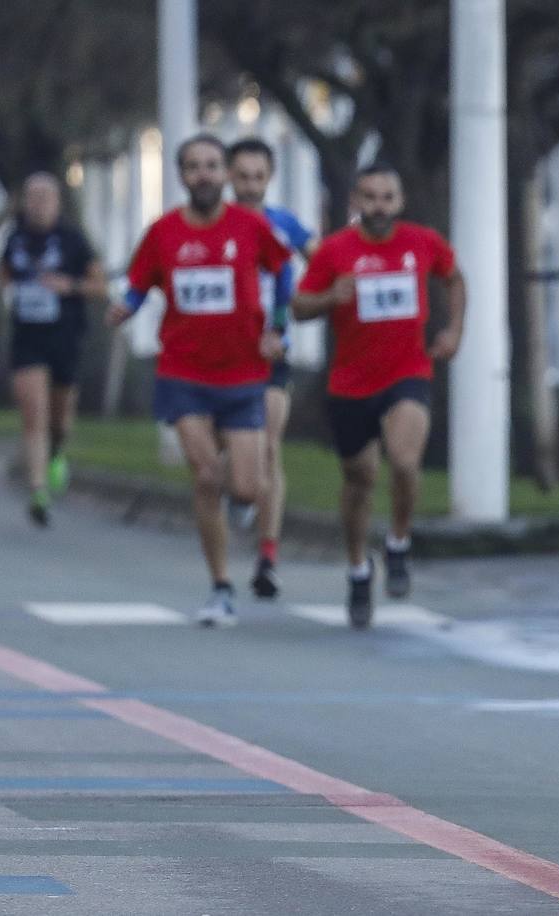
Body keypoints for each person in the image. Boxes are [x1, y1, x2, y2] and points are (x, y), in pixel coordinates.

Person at [108, 134, 290, 626]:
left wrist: (279, 327)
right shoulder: (163, 232)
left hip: (244, 372)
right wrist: (125, 307)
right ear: (181, 175)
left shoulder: (250, 226)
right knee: (206, 476)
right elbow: (139, 283)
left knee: (248, 488)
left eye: (212, 165)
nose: (204, 174)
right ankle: (221, 586)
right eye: (194, 167)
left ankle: (242, 501)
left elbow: (284, 269)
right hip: (183, 372)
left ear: (225, 174)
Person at [292, 163, 465, 629]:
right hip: (349, 384)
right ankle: (357, 568)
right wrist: (331, 296)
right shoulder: (335, 251)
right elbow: (299, 305)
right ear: (354, 201)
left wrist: (453, 330)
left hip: (407, 372)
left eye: (387, 197)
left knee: (405, 462)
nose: (378, 206)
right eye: (369, 197)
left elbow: (454, 277)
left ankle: (399, 542)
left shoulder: (422, 242)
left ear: (400, 201)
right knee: (360, 480)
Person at [0, 173, 109, 527]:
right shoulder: (16, 238)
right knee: (33, 412)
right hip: (27, 336)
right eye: (31, 197)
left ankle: (57, 451)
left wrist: (69, 285)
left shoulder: (74, 240)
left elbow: (99, 286)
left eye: (44, 198)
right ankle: (38, 491)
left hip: (65, 334)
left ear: (57, 202)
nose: (36, 204)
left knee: (59, 417)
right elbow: (6, 273)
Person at [227, 137, 318, 598]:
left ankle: (268, 557)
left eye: (257, 177)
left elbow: (321, 260)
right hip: (218, 357)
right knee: (232, 448)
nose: (249, 186)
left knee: (268, 446)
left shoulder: (284, 226)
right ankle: (238, 490)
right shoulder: (212, 225)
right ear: (228, 177)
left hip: (270, 352)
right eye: (241, 177)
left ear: (270, 178)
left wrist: (297, 314)